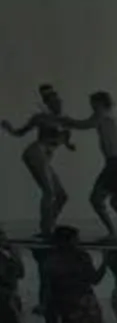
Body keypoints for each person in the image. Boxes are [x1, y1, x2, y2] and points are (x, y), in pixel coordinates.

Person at [4, 84, 82, 233]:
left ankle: (48, 225)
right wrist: (9, 128)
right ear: (47, 104)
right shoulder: (41, 118)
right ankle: (46, 229)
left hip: (45, 157)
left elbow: (64, 139)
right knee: (49, 192)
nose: (57, 104)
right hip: (36, 153)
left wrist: (69, 145)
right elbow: (20, 133)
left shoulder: (65, 121)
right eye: (53, 102)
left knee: (62, 196)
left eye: (59, 102)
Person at [79, 91, 117, 237]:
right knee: (116, 203)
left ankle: (113, 234)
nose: (92, 110)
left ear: (100, 104)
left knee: (96, 200)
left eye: (94, 106)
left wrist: (61, 121)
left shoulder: (102, 116)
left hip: (115, 164)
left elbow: (83, 125)